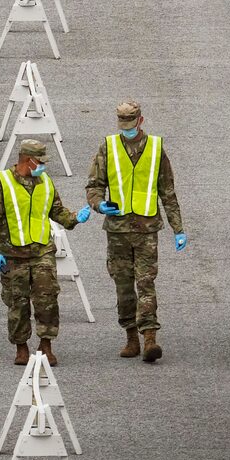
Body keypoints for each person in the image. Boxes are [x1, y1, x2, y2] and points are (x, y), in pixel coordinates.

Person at [85, 100, 186, 364]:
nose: (127, 129)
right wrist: (99, 205)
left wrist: (178, 228)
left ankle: (149, 337)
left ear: (140, 121)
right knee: (123, 286)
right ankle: (130, 335)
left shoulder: (155, 148)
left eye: (131, 124)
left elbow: (167, 191)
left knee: (146, 282)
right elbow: (94, 185)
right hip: (117, 229)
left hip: (146, 229)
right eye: (123, 125)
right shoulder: (107, 147)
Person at [0, 138, 91, 367]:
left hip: (42, 250)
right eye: (40, 162)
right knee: (17, 301)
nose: (43, 166)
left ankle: (46, 345)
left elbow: (56, 210)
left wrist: (73, 219)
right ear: (27, 160)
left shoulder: (46, 182)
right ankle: (21, 347)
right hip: (13, 253)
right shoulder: (1, 182)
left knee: (47, 298)